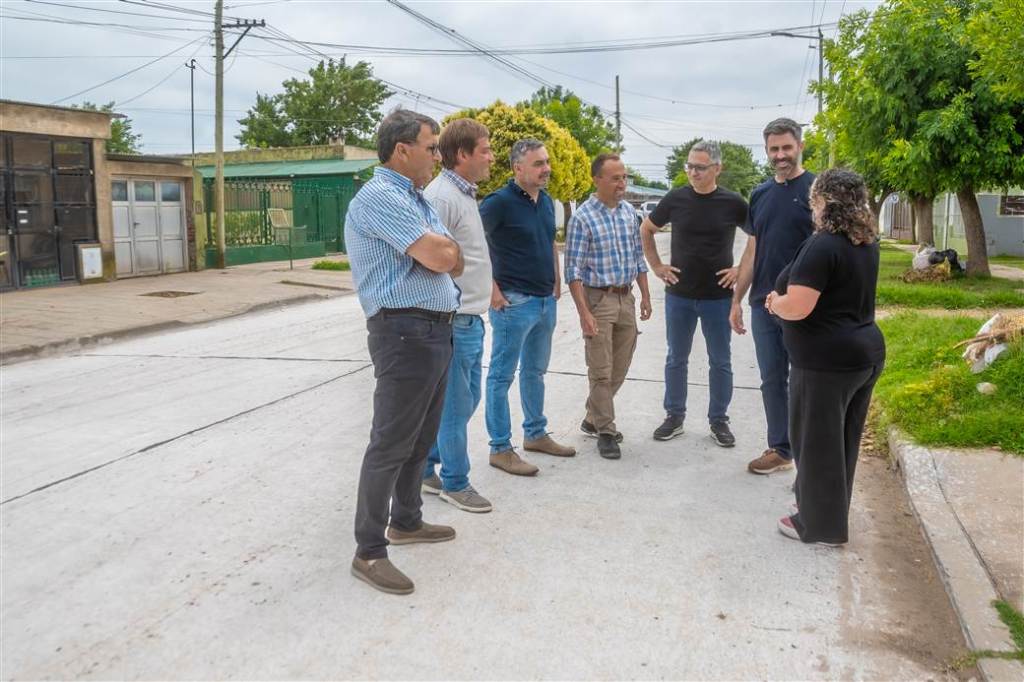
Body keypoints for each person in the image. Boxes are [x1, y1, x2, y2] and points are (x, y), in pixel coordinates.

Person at [345, 109, 463, 595]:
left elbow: (450, 255)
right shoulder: (380, 196)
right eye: (432, 146)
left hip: (433, 329)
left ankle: (407, 521)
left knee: (420, 437)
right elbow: (442, 255)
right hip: (403, 332)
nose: (437, 155)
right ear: (402, 150)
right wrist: (442, 253)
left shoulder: (415, 198)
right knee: (390, 442)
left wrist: (443, 253)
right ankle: (369, 552)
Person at [765, 169, 886, 546]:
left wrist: (774, 303)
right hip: (861, 354)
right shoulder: (864, 241)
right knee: (841, 443)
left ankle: (816, 525)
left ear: (822, 201)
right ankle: (830, 513)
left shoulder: (824, 245)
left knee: (815, 445)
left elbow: (798, 307)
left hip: (825, 363)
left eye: (814, 199)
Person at [641, 140, 747, 447]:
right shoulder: (675, 199)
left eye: (700, 167)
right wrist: (658, 266)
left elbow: (758, 236)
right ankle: (674, 416)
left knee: (721, 360)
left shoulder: (733, 202)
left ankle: (719, 420)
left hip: (718, 297)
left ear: (717, 168)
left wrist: (741, 268)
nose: (693, 172)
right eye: (689, 166)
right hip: (680, 296)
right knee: (676, 358)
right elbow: (646, 229)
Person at [481, 138, 576, 476]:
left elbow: (549, 239)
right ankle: (500, 448)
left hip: (544, 302)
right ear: (517, 168)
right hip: (513, 303)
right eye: (538, 164)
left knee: (535, 372)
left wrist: (556, 278)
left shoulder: (547, 201)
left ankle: (535, 434)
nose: (546, 168)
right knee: (500, 376)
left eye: (546, 161)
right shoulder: (498, 203)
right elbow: (473, 246)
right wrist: (491, 290)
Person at [730, 118, 816, 475]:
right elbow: (753, 248)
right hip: (763, 305)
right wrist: (737, 299)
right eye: (774, 149)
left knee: (807, 379)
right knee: (771, 379)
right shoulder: (761, 193)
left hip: (805, 305)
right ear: (766, 151)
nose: (780, 155)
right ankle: (780, 448)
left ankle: (811, 449)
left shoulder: (816, 190)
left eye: (786, 147)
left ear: (800, 146)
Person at [420, 118, 496, 512]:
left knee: (466, 400)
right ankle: (456, 481)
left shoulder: (463, 194)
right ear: (463, 154)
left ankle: (425, 467)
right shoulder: (443, 196)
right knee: (455, 405)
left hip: (472, 318)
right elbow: (432, 258)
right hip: (454, 319)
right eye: (485, 150)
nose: (491, 157)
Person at [564, 153, 652, 459]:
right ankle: (606, 430)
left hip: (625, 297)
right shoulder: (582, 218)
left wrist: (645, 296)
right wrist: (584, 313)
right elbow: (572, 271)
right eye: (615, 178)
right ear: (597, 179)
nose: (622, 183)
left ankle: (592, 415)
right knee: (600, 370)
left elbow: (638, 258)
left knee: (621, 365)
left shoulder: (630, 213)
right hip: (598, 299)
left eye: (624, 177)